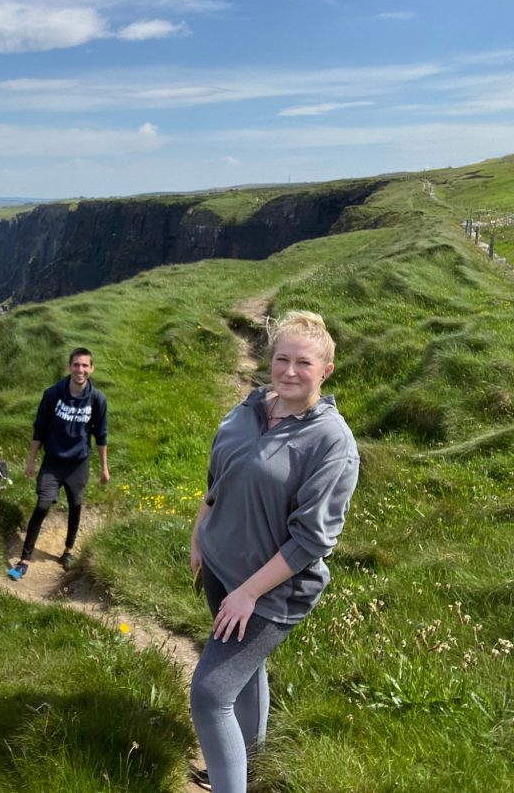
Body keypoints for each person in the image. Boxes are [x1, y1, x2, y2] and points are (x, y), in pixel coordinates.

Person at [188, 311, 359, 793]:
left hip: (271, 591)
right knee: (247, 668)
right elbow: (221, 476)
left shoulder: (331, 443)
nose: (288, 371)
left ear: (325, 370)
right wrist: (200, 533)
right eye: (280, 358)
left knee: (210, 693)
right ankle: (246, 767)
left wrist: (247, 594)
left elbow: (311, 541)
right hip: (221, 567)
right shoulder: (249, 408)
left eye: (302, 363)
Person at [8, 347, 109, 579]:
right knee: (43, 505)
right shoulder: (53, 394)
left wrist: (104, 468)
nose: (80, 370)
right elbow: (39, 429)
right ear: (69, 367)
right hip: (53, 461)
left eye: (85, 365)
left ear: (91, 369)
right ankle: (24, 559)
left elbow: (101, 435)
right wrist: (31, 461)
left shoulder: (97, 399)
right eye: (76, 364)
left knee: (76, 504)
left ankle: (68, 550)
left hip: (79, 464)